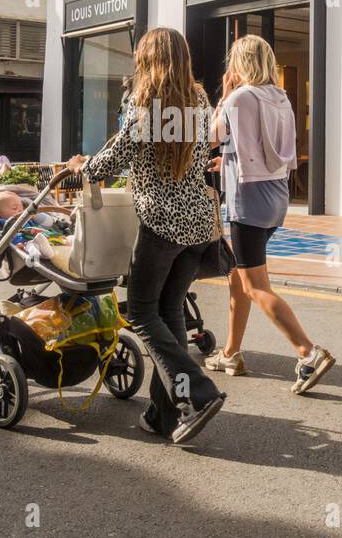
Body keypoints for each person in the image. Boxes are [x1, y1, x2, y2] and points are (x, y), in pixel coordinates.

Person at [67, 27, 226, 445]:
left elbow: (112, 161)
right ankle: (163, 413)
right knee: (169, 311)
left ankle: (198, 392)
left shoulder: (143, 104)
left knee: (140, 312)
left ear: (147, 59)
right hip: (197, 225)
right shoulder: (201, 100)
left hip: (161, 225)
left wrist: (80, 167)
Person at [207, 35, 335, 394]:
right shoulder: (280, 97)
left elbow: (210, 136)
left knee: (255, 285)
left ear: (241, 63)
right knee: (238, 273)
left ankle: (308, 352)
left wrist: (222, 98)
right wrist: (228, 160)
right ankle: (230, 352)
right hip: (277, 196)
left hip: (248, 199)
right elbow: (263, 148)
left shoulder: (239, 97)